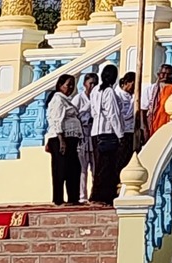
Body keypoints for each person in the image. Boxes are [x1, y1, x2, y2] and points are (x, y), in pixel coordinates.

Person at [87, 63, 133, 203]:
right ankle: (104, 195)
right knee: (108, 166)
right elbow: (113, 114)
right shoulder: (109, 92)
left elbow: (94, 111)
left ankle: (96, 194)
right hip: (108, 131)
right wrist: (120, 134)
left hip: (96, 131)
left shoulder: (95, 90)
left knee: (99, 165)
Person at [45, 73, 83, 205]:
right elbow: (56, 120)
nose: (71, 87)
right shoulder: (58, 99)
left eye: (73, 85)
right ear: (60, 85)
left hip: (70, 138)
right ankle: (58, 198)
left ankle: (73, 197)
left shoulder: (66, 100)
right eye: (68, 85)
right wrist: (61, 140)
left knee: (73, 168)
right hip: (61, 138)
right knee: (61, 169)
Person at [76, 70, 99, 198]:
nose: (92, 86)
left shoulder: (98, 97)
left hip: (94, 134)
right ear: (85, 84)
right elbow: (74, 115)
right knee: (82, 168)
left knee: (95, 168)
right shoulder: (78, 98)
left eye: (95, 84)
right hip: (82, 135)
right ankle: (82, 195)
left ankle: (95, 194)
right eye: (90, 83)